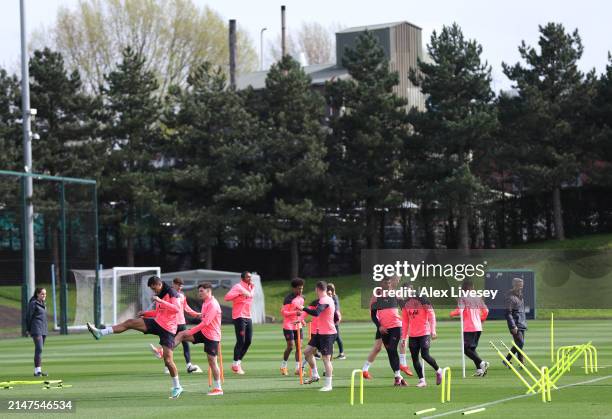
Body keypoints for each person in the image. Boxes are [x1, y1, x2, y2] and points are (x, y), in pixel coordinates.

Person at [87, 276, 183, 399]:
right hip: (157, 323)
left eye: (154, 288)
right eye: (152, 289)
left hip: (168, 329)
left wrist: (160, 301)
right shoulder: (160, 293)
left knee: (168, 361)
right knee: (130, 322)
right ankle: (100, 333)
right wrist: (146, 313)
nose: (154, 291)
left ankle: (177, 387)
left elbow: (176, 309)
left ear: (159, 284)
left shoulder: (172, 292)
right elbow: (160, 312)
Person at [161, 283, 224, 396]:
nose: (199, 293)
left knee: (212, 361)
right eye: (199, 291)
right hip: (204, 332)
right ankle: (164, 351)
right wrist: (197, 316)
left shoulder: (213, 304)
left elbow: (206, 323)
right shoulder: (205, 302)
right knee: (181, 334)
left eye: (201, 291)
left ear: (208, 291)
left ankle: (218, 388)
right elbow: (203, 318)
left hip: (212, 335)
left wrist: (191, 331)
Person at [150, 277, 202, 374]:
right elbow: (160, 309)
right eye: (178, 285)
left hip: (181, 322)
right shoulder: (167, 294)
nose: (179, 288)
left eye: (181, 286)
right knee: (170, 344)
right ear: (173, 284)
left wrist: (197, 314)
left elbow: (186, 308)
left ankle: (187, 365)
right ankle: (167, 362)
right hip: (172, 323)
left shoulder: (181, 295)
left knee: (183, 344)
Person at [364, 276, 408, 386]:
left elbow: (405, 309)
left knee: (393, 348)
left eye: (389, 283)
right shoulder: (377, 295)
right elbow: (373, 315)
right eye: (386, 283)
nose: (388, 285)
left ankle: (399, 373)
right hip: (384, 328)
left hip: (396, 326)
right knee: (390, 352)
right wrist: (379, 326)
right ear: (381, 283)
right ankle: (398, 377)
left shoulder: (396, 294)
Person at [297, 281, 336, 391]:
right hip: (320, 332)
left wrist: (303, 308)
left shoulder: (325, 300)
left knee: (326, 359)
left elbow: (316, 313)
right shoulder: (325, 299)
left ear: (317, 289)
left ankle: (328, 385)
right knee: (307, 352)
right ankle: (315, 375)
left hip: (327, 333)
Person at [402, 292, 443, 387]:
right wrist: (403, 338)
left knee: (425, 355)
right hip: (412, 335)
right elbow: (405, 321)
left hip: (424, 332)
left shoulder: (423, 300)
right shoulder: (405, 305)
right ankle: (422, 380)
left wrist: (433, 331)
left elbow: (432, 315)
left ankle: (438, 370)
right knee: (414, 358)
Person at [450, 280, 490, 376]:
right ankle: (480, 370)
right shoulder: (477, 297)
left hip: (469, 327)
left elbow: (460, 310)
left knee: (466, 349)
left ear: (465, 288)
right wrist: (481, 320)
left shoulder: (463, 298)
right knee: (472, 349)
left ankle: (482, 363)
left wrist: (452, 313)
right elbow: (486, 311)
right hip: (478, 327)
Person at [224, 271, 254, 374]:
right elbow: (227, 297)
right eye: (248, 277)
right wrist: (239, 293)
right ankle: (235, 363)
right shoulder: (238, 286)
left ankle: (238, 363)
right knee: (241, 340)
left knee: (248, 341)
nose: (250, 279)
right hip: (239, 316)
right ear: (243, 278)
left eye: (250, 277)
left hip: (248, 316)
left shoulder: (252, 287)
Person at [280, 278, 305, 376]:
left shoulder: (302, 298)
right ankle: (283, 366)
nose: (300, 290)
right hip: (288, 325)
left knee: (299, 347)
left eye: (302, 288)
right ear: (294, 289)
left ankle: (298, 369)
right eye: (299, 288)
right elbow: (284, 312)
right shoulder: (288, 299)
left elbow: (301, 312)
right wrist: (295, 312)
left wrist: (302, 319)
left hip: (298, 325)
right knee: (290, 346)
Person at [504, 277, 527, 367]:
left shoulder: (520, 296)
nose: (521, 287)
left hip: (521, 323)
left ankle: (521, 363)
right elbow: (508, 313)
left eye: (522, 286)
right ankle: (507, 359)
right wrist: (513, 326)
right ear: (514, 285)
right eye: (519, 286)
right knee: (520, 343)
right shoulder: (510, 297)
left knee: (519, 344)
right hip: (515, 324)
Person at [26, 287, 48, 377]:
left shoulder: (43, 303)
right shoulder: (33, 303)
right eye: (42, 294)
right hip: (36, 329)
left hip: (43, 329)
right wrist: (28, 329)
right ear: (37, 294)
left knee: (40, 350)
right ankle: (37, 371)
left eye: (45, 294)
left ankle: (39, 370)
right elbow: (28, 317)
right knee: (39, 348)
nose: (44, 295)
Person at [326, 283, 346, 360]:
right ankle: (341, 353)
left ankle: (341, 353)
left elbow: (336, 308)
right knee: (337, 336)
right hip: (334, 318)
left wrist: (337, 317)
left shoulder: (333, 297)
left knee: (337, 336)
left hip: (334, 318)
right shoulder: (334, 296)